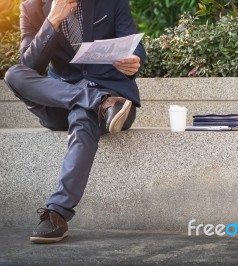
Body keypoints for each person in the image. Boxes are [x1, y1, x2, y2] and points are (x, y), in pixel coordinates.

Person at [4, 0, 146, 244]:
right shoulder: (31, 7)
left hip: (113, 100)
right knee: (14, 74)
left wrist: (134, 61)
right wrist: (53, 20)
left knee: (83, 115)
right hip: (62, 99)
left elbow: (135, 47)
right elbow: (30, 66)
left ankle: (57, 213)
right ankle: (96, 100)